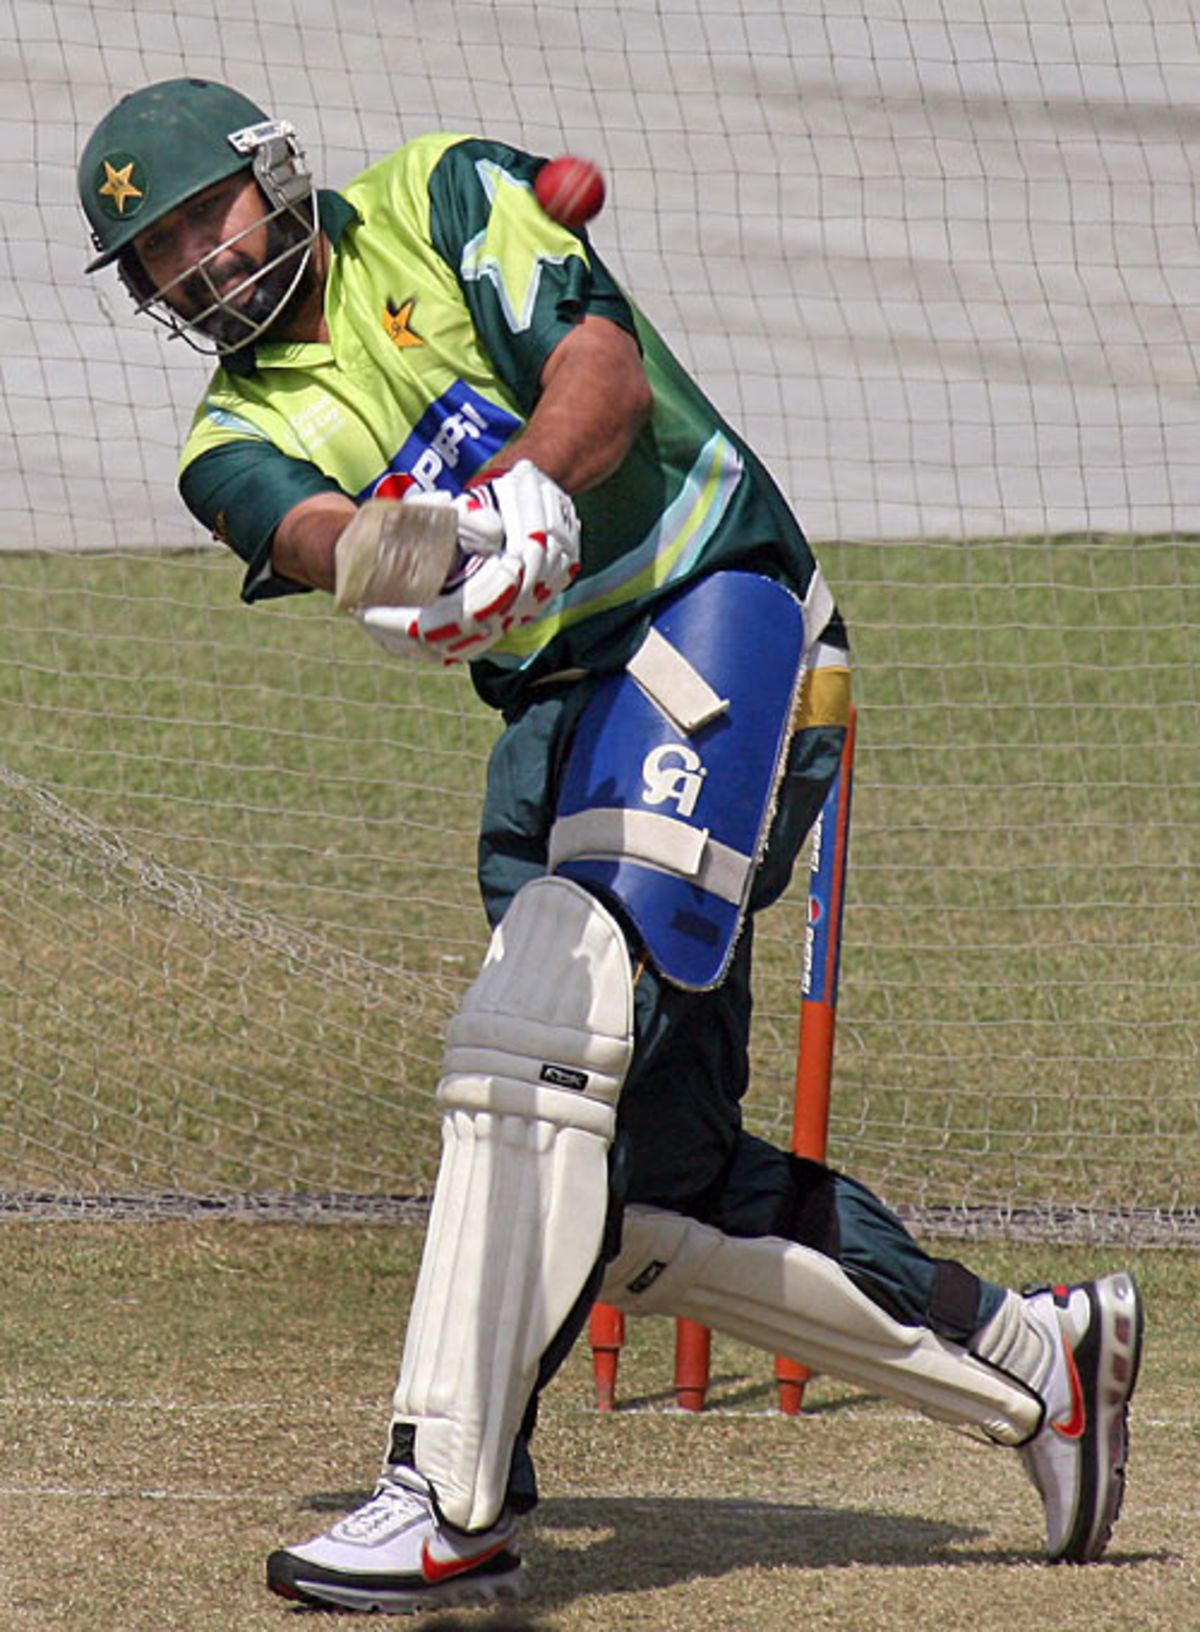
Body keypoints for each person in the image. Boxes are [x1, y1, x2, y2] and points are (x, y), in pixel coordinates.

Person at [79, 78, 1143, 1615]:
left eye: (205, 218)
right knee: (644, 1193)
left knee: (533, 1047)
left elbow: (603, 373)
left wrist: (525, 487)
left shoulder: (444, 196)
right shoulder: (227, 439)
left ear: (277, 175)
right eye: (157, 257)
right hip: (562, 713)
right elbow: (322, 537)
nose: (197, 266)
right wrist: (424, 570)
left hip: (723, 608)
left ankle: (448, 1497)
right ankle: (1041, 1367)